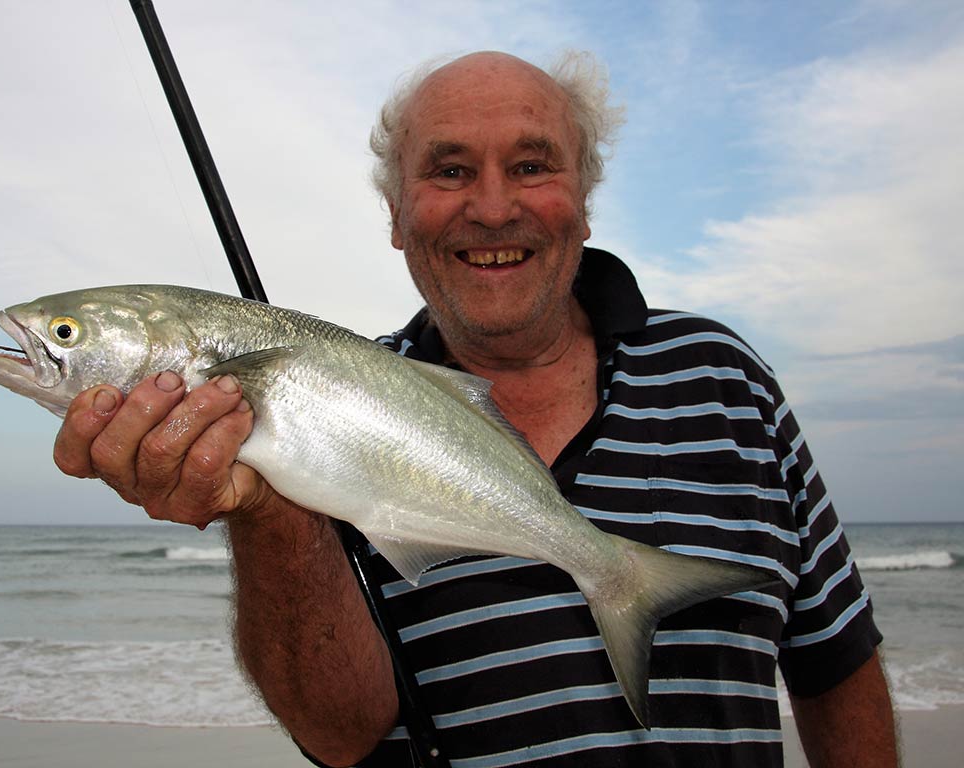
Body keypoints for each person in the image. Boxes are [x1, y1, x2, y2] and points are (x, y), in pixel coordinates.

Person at [52, 51, 898, 767]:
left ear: (584, 198)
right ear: (396, 213)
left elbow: (836, 663)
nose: (493, 207)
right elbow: (343, 736)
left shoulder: (723, 376)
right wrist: (269, 514)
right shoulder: (314, 424)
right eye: (450, 170)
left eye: (532, 166)